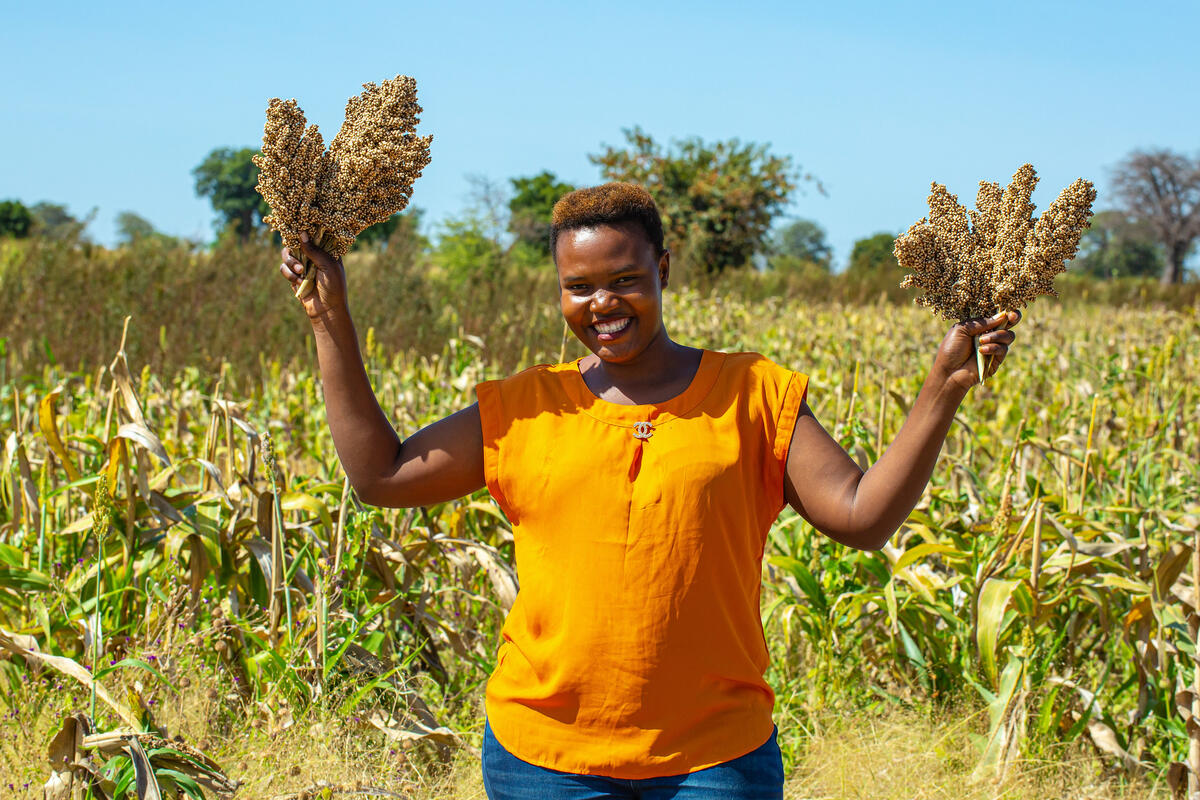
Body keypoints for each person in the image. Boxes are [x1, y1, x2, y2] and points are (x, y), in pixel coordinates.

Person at [279, 182, 1018, 800]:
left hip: (716, 758)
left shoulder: (752, 393)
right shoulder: (525, 407)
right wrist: (328, 316)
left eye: (625, 279)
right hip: (545, 757)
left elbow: (860, 517)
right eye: (578, 287)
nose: (602, 303)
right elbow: (380, 477)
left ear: (664, 269)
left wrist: (942, 388)